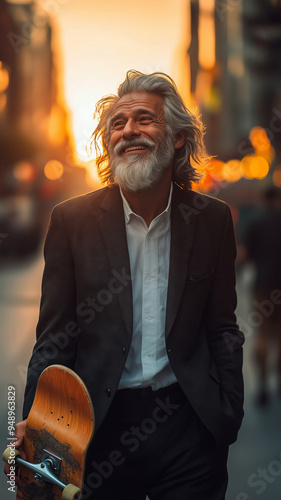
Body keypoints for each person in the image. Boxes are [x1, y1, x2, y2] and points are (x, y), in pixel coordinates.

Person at [5, 70, 244, 500]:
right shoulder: (71, 221)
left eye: (144, 119)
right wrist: (38, 429)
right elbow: (54, 337)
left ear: (175, 138)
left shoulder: (211, 220)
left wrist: (229, 407)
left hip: (189, 425)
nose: (129, 130)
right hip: (96, 429)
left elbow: (223, 326)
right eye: (117, 123)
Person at [242, 186, 281, 407]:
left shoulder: (255, 221)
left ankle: (263, 385)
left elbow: (245, 255)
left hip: (262, 286)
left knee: (263, 334)